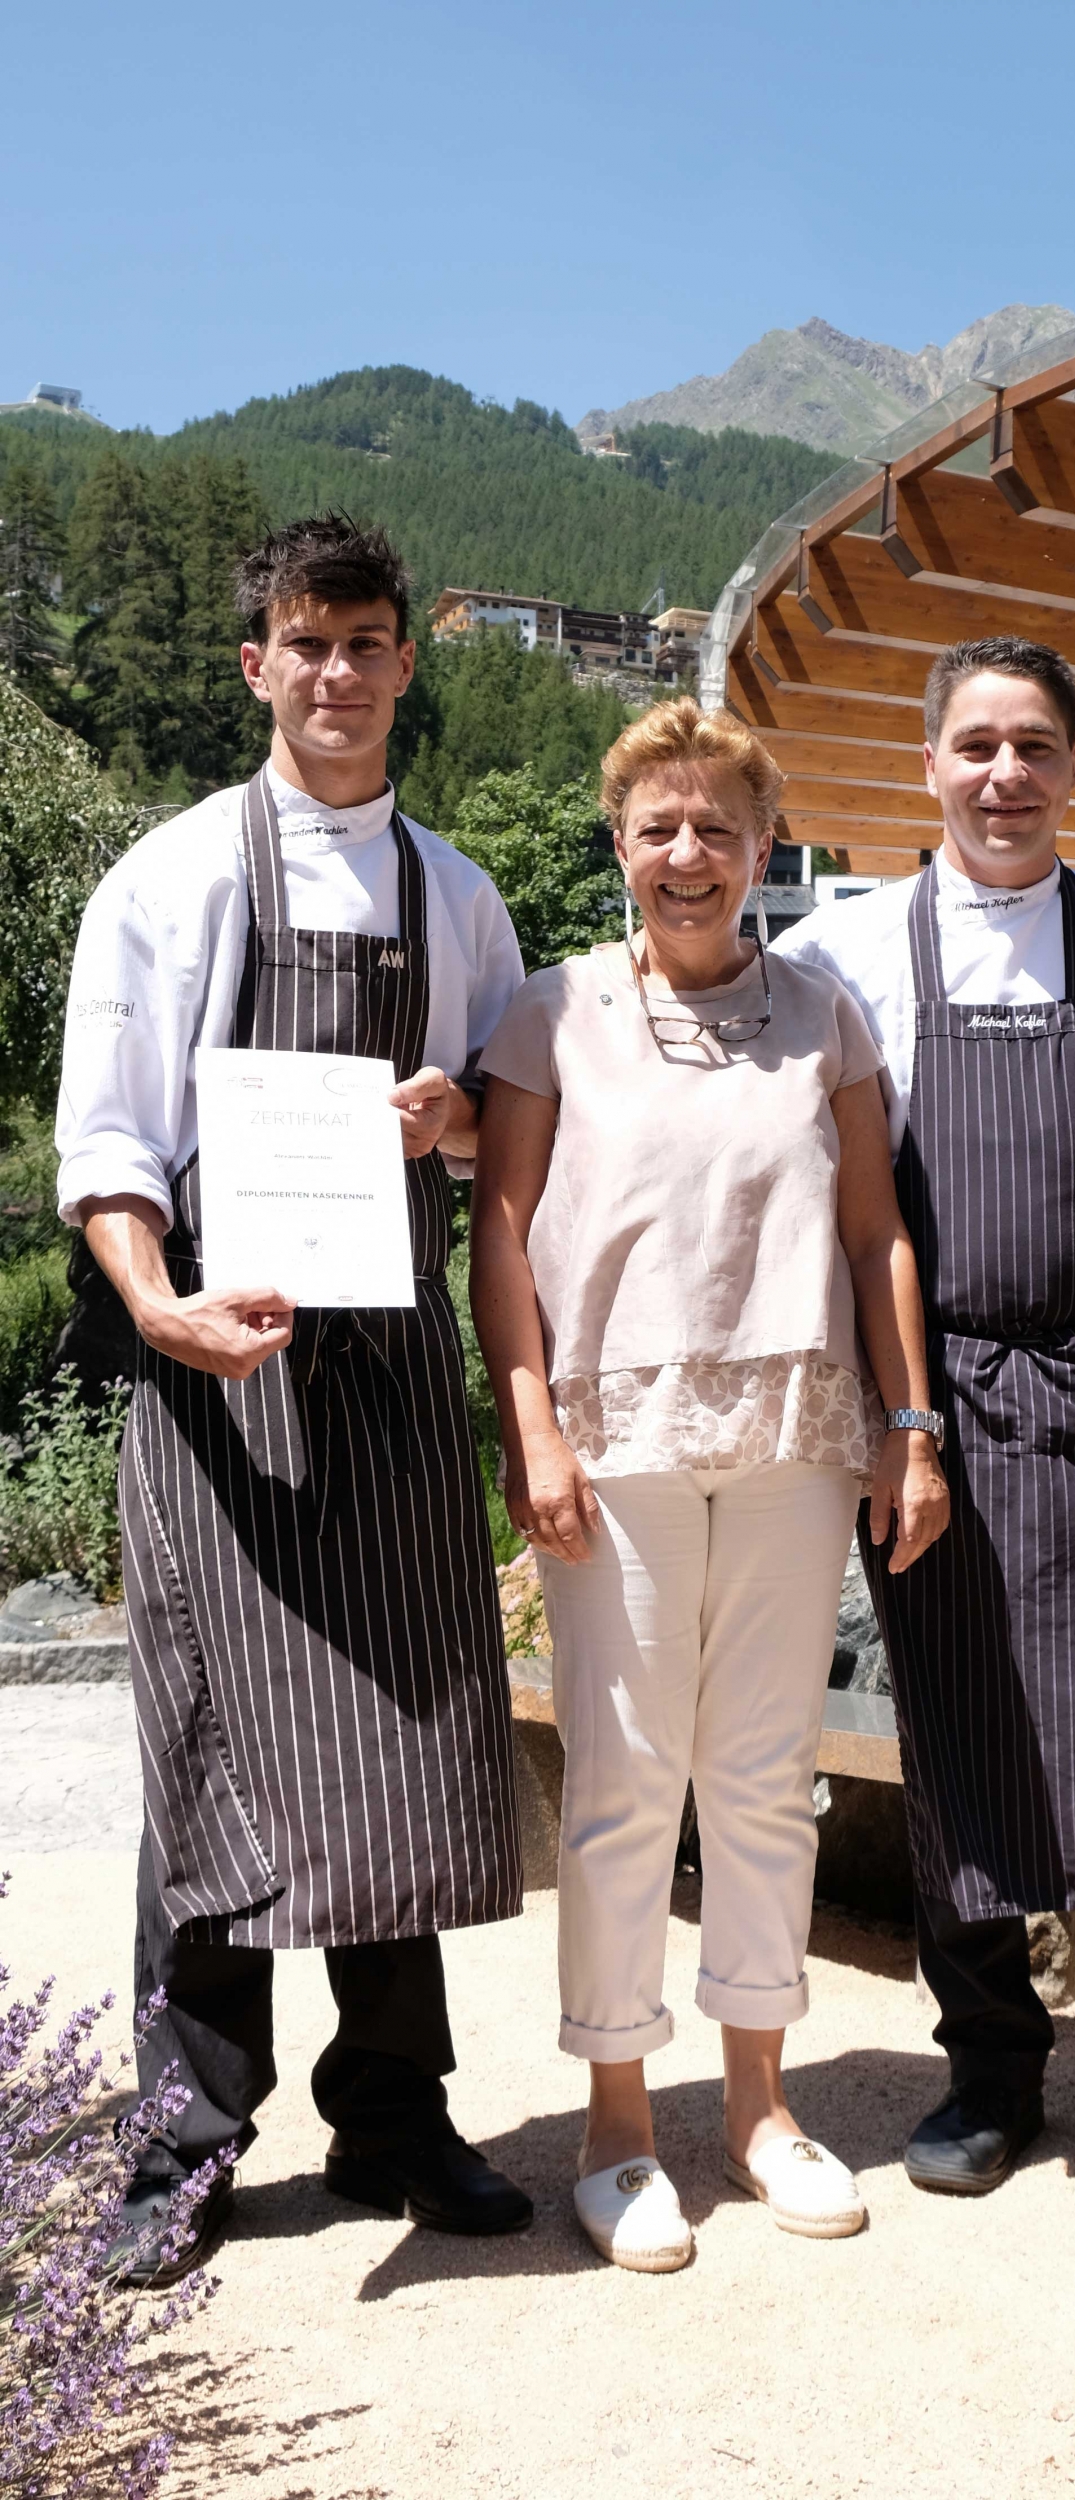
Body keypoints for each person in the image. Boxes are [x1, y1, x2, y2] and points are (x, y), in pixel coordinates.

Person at [57, 514, 532, 2281]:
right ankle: (185, 2136)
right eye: (305, 641)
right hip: (220, 1374)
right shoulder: (168, 880)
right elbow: (108, 1144)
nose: (337, 671)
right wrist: (155, 1307)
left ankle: (393, 2117)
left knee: (402, 1743)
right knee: (221, 1760)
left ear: (408, 664)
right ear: (256, 663)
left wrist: (451, 1122)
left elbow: (505, 1134)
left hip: (394, 1377)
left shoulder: (457, 894)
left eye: (368, 641)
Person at [776, 635, 1075, 2224]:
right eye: (975, 744)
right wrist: (873, 1415)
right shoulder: (843, 954)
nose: (1004, 775)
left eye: (1034, 746)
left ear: (1071, 766)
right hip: (928, 1400)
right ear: (928, 764)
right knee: (959, 1727)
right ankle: (987, 2062)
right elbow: (817, 1201)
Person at [471, 698, 948, 2274]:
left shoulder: (827, 1016)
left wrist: (910, 1422)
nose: (689, 857)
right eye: (659, 829)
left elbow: (876, 1230)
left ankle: (758, 2109)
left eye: (718, 831)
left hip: (800, 1434)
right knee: (620, 1785)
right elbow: (504, 1233)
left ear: (764, 847)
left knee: (759, 1777)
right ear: (620, 846)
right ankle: (618, 2125)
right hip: (615, 1441)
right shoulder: (550, 1016)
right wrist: (530, 1425)